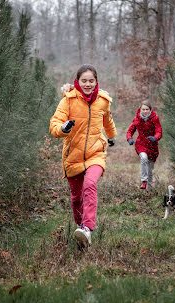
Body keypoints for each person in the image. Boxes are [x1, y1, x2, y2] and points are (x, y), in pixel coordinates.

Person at [49, 64, 117, 247]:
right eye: (84, 80)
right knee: (76, 198)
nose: (88, 84)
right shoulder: (68, 101)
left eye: (91, 81)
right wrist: (63, 129)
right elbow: (54, 124)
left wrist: (111, 136)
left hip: (96, 153)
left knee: (90, 184)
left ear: (96, 82)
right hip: (73, 157)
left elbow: (107, 119)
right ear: (77, 82)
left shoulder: (103, 100)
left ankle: (87, 228)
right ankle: (81, 232)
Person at [126, 100, 162, 191]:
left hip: (152, 146)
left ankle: (148, 191)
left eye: (147, 109)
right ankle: (144, 181)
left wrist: (155, 137)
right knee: (143, 158)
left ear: (150, 110)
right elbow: (130, 131)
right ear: (140, 109)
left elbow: (159, 131)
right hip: (141, 144)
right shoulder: (137, 119)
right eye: (143, 109)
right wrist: (129, 138)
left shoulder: (155, 118)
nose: (145, 111)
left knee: (150, 170)